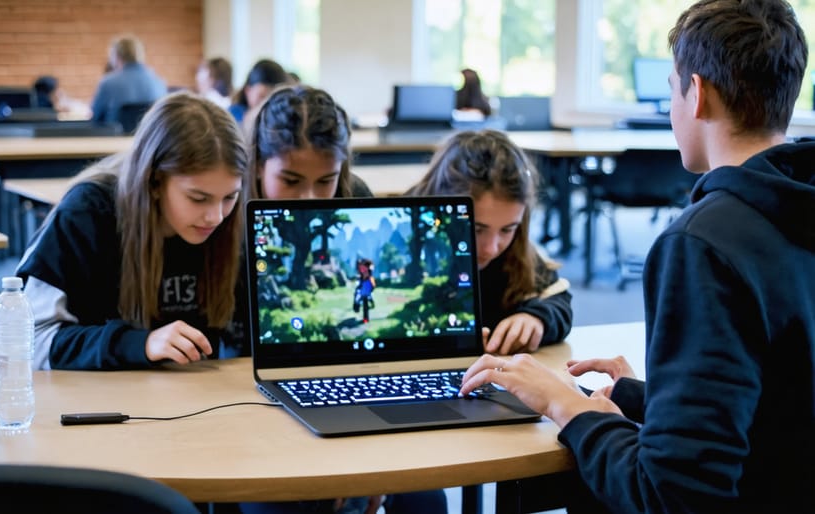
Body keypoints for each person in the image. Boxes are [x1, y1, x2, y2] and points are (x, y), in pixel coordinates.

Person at [460, 1, 815, 512]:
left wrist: (566, 406)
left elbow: (673, 495)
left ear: (698, 94)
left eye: (673, 88)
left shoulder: (703, 244)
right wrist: (639, 396)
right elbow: (781, 414)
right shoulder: (796, 206)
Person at [236, 84, 447, 514]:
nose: (309, 199)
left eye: (326, 181)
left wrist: (370, 463)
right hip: (248, 405)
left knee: (427, 498)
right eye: (290, 180)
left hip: (341, 386)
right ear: (257, 165)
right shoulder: (226, 211)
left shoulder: (356, 196)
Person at [16, 91, 247, 371]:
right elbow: (28, 342)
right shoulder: (86, 214)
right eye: (198, 198)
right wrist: (139, 343)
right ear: (154, 182)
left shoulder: (228, 221)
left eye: (230, 197)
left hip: (185, 396)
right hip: (95, 397)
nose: (217, 216)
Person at [408, 130, 573, 354]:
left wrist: (536, 319)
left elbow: (557, 299)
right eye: (477, 229)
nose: (491, 248)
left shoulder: (518, 251)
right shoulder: (411, 234)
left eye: (507, 229)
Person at [90, 34, 167, 124]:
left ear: (116, 56)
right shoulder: (159, 82)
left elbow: (95, 116)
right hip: (148, 137)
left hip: (114, 137)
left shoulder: (108, 82)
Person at [229, 58, 288, 133]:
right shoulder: (232, 117)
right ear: (248, 91)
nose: (267, 104)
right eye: (262, 97)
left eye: (274, 98)